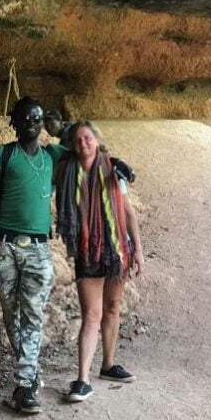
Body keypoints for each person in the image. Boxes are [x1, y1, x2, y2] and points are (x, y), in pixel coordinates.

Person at [0, 97, 66, 414]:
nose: (31, 123)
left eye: (37, 118)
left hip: (39, 248)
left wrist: (62, 128)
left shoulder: (52, 155)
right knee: (10, 314)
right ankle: (30, 372)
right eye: (25, 118)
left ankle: (24, 386)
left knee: (32, 313)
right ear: (14, 122)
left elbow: (86, 147)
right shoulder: (3, 155)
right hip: (4, 244)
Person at [55, 121, 144, 403]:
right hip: (86, 249)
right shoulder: (65, 170)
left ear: (96, 140)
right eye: (78, 140)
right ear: (72, 144)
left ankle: (108, 365)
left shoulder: (113, 169)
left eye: (88, 138)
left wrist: (138, 250)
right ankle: (82, 379)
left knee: (113, 307)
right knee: (91, 315)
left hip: (116, 248)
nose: (84, 143)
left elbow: (127, 213)